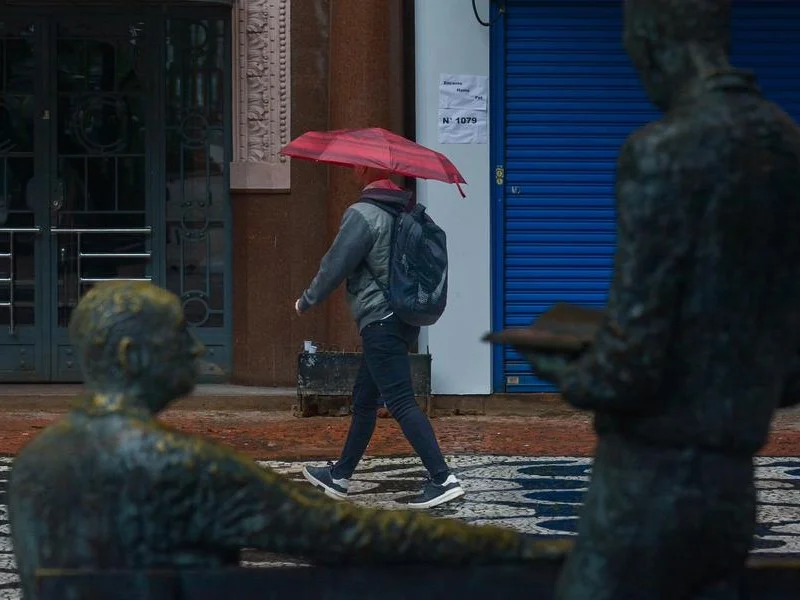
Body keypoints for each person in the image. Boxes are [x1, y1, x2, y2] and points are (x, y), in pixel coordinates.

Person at [8, 281, 565, 600]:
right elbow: (348, 534)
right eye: (179, 340)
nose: (197, 354)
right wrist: (525, 550)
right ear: (132, 358)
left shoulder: (34, 465)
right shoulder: (181, 468)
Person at [524, 0, 800, 598]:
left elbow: (630, 363)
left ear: (652, 38)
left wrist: (565, 369)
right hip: (732, 489)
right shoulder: (787, 145)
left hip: (646, 485)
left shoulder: (661, 152)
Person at [295, 166, 463, 509]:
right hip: (402, 318)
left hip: (380, 320)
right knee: (364, 400)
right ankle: (340, 476)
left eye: (357, 168)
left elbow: (335, 264)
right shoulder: (403, 211)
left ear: (364, 171)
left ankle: (442, 478)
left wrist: (307, 299)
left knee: (400, 401)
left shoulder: (364, 214)